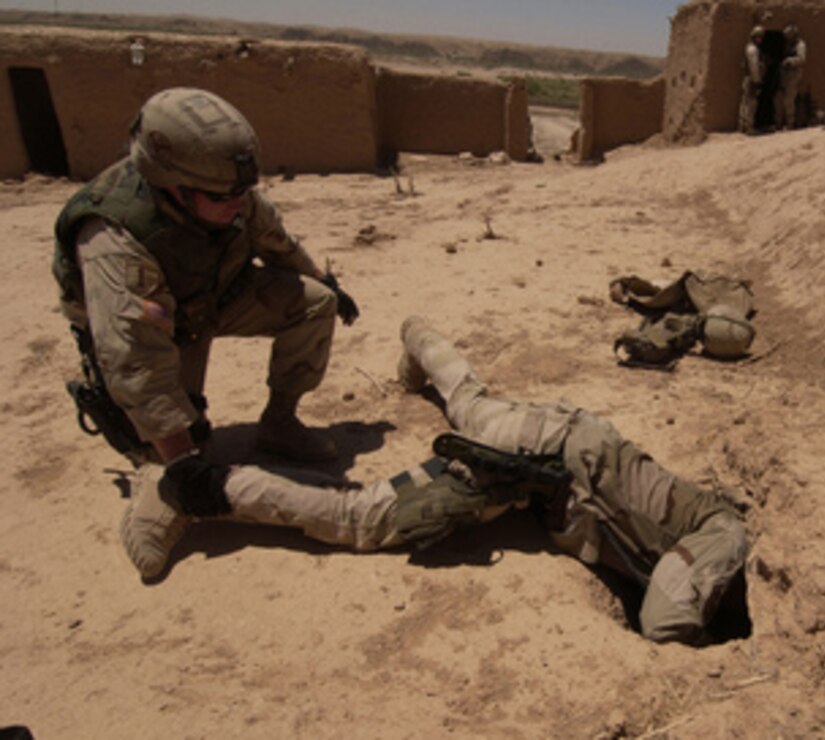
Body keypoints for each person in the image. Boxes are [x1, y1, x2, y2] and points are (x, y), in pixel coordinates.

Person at [121, 317, 750, 645]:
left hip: (557, 441)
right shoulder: (723, 532)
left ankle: (419, 336)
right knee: (361, 519)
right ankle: (191, 485)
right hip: (537, 461)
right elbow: (667, 613)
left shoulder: (704, 524)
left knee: (470, 401)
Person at [53, 87, 359, 465]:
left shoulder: (224, 190)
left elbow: (277, 242)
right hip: (161, 325)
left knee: (316, 303)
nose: (237, 203)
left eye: (244, 191)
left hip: (214, 294)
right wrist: (183, 467)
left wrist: (325, 282)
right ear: (171, 185)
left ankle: (280, 423)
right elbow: (134, 358)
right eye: (221, 197)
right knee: (172, 451)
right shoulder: (114, 239)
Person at [775, 25, 807, 130]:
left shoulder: (800, 45)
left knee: (789, 100)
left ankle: (790, 124)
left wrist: (790, 61)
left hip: (793, 75)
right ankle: (779, 123)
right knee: (778, 99)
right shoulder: (789, 44)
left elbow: (802, 59)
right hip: (784, 75)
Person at [738, 26, 766, 135]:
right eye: (759, 37)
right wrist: (757, 80)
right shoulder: (753, 49)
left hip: (748, 79)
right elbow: (753, 66)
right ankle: (749, 128)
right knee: (751, 103)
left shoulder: (750, 47)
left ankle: (743, 126)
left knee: (745, 102)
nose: (761, 39)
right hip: (751, 79)